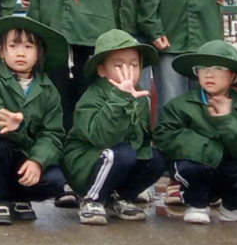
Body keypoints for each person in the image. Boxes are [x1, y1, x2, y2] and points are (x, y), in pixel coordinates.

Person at [153, 38, 237, 224]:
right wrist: (212, 150)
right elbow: (165, 136)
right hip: (201, 166)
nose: (209, 74)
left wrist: (227, 121)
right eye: (202, 68)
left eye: (218, 68)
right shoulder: (180, 105)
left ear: (234, 76)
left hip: (233, 170)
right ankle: (197, 204)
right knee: (187, 166)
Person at [0, 13, 70, 225]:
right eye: (13, 46)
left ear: (39, 53)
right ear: (1, 51)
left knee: (55, 180)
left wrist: (37, 161)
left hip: (26, 153)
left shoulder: (48, 89)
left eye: (29, 47)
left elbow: (52, 134)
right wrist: (8, 124)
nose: (21, 53)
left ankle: (20, 197)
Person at [60, 30, 167, 224]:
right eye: (118, 65)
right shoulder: (93, 96)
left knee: (156, 159)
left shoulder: (140, 97)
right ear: (102, 70)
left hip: (120, 162)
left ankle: (120, 198)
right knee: (123, 153)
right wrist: (120, 98)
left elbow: (140, 140)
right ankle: (91, 199)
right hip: (87, 164)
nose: (128, 71)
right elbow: (102, 137)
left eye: (134, 65)